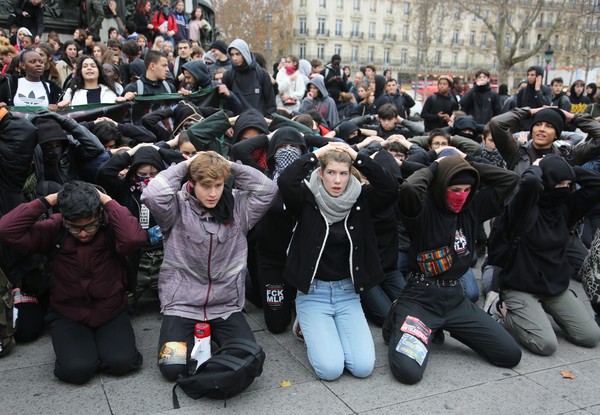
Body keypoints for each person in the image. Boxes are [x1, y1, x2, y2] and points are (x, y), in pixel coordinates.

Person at [383, 150, 521, 384]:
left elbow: (510, 180)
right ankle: (399, 316)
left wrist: (465, 165)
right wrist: (437, 166)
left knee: (509, 354)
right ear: (440, 186)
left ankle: (445, 327)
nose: (461, 196)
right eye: (455, 190)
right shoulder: (422, 208)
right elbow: (409, 188)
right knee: (408, 372)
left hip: (456, 300)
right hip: (420, 299)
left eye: (467, 190)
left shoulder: (472, 207)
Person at [140, 151, 277, 381]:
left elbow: (268, 190)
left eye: (218, 185)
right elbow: (153, 194)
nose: (213, 193)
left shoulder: (238, 207)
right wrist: (187, 164)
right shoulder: (176, 207)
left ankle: (210, 343)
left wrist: (229, 166)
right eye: (205, 186)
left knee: (247, 360)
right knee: (172, 369)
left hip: (225, 305)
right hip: (182, 304)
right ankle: (202, 342)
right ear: (192, 184)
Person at [0, 181, 147, 384]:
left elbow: (133, 239)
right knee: (77, 370)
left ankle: (101, 348)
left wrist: (106, 200)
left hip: (110, 310)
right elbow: (6, 230)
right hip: (67, 313)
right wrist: (49, 200)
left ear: (98, 215)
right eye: (75, 228)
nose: (84, 233)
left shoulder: (110, 225)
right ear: (66, 220)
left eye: (90, 226)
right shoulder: (56, 228)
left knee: (122, 363)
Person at [277, 142, 398, 381]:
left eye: (343, 173)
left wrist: (356, 156)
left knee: (363, 368)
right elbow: (286, 181)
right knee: (330, 370)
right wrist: (317, 154)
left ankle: (324, 332)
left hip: (347, 292)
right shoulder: (306, 197)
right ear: (321, 173)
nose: (337, 180)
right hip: (314, 293)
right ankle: (306, 325)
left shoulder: (361, 199)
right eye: (331, 172)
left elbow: (390, 189)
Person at [497, 155, 600, 355]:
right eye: (559, 182)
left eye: (568, 184)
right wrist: (538, 167)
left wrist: (565, 168)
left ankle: (541, 311)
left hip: (554, 286)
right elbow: (530, 182)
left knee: (590, 336)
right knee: (545, 345)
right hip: (520, 285)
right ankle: (503, 311)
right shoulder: (522, 208)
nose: (565, 187)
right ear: (547, 181)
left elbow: (597, 184)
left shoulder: (565, 207)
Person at [221, 38, 276, 116]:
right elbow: (225, 104)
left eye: (238, 54)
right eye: (232, 55)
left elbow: (270, 104)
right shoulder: (228, 76)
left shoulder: (262, 74)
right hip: (236, 122)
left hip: (259, 122)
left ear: (245, 53)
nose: (234, 58)